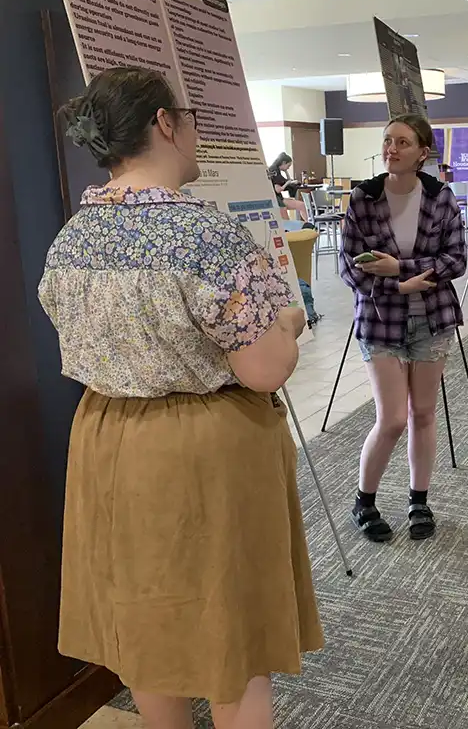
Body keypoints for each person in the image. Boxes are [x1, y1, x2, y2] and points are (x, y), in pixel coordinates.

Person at [38, 67, 323, 729]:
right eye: (187, 117)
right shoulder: (206, 235)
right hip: (203, 447)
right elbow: (265, 368)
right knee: (232, 642)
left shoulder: (72, 236)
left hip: (107, 441)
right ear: (165, 124)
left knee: (145, 633)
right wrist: (286, 320)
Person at [339, 113, 466, 543]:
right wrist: (397, 284)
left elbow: (456, 259)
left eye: (402, 142)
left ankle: (418, 499)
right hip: (380, 320)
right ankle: (365, 500)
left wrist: (403, 268)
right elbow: (349, 268)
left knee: (424, 414)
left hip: (431, 320)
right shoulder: (363, 198)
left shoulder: (441, 198)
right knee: (392, 419)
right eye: (387, 140)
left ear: (422, 154)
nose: (391, 149)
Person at [269, 152, 308, 221]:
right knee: (286, 220)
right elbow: (278, 189)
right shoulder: (274, 171)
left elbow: (287, 180)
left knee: (302, 206)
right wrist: (287, 183)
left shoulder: (278, 170)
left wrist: (286, 171)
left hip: (280, 197)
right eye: (288, 165)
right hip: (276, 199)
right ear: (284, 162)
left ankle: (310, 225)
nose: (288, 167)